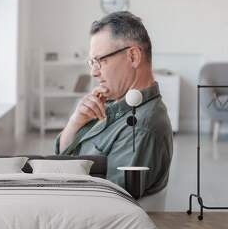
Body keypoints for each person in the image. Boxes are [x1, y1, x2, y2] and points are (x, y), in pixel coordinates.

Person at [55, 11, 173, 198]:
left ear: (133, 57)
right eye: (92, 62)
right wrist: (75, 123)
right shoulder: (115, 103)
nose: (94, 72)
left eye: (100, 60)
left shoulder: (141, 128)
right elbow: (62, 158)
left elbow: (109, 202)